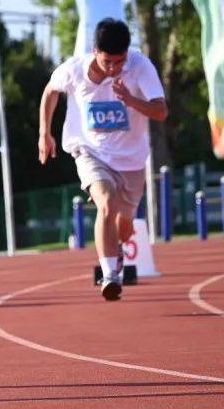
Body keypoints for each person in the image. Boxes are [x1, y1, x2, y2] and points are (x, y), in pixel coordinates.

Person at [38, 18, 168, 300]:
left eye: (119, 62)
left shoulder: (140, 67)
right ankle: (110, 276)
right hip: (90, 152)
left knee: (124, 227)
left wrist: (131, 100)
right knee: (106, 203)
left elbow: (161, 112)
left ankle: (116, 252)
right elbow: (50, 91)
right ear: (94, 50)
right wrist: (44, 134)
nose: (114, 69)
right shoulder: (74, 69)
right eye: (108, 61)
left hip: (132, 161)